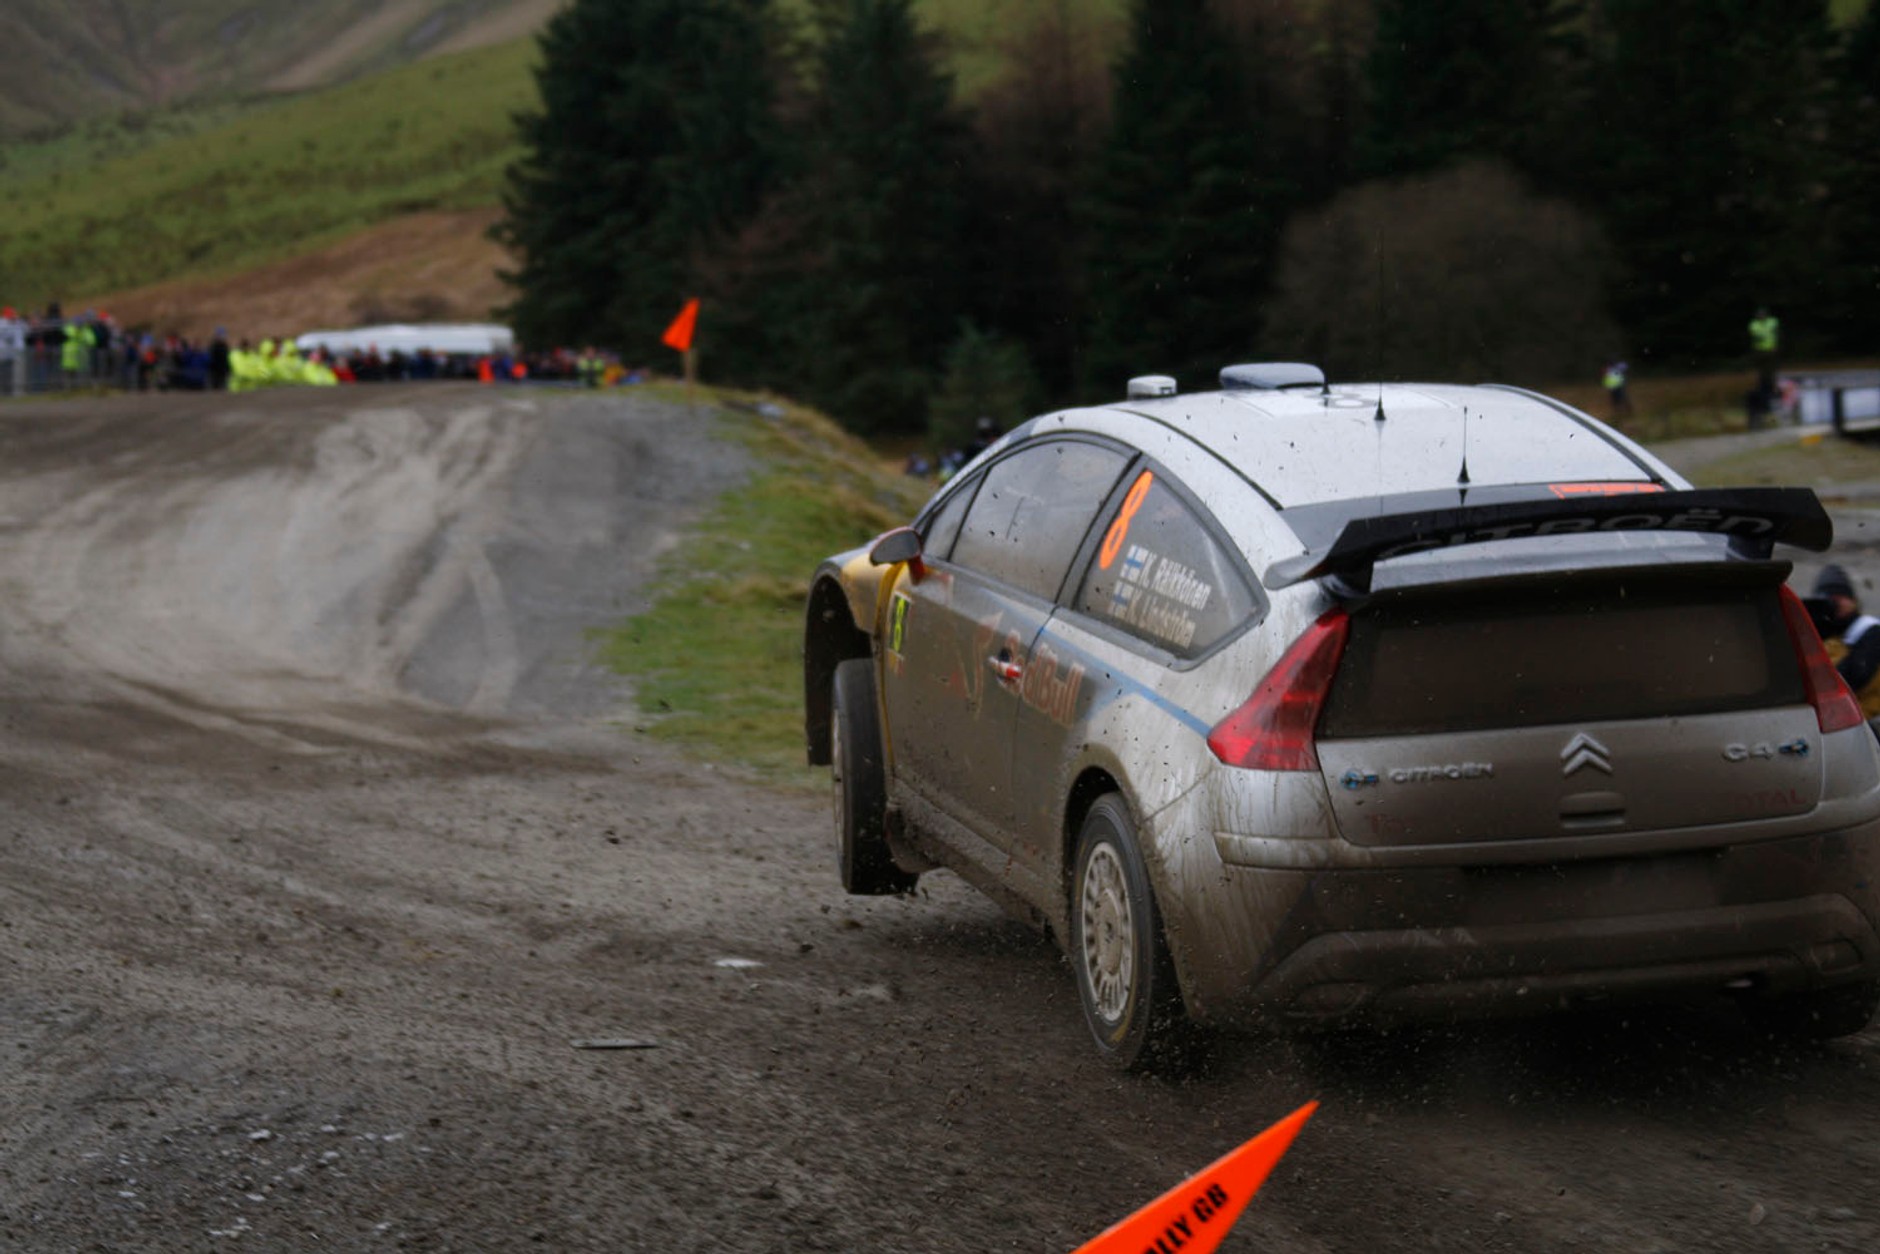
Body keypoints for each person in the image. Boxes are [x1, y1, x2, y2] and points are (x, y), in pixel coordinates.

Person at [1812, 564, 1880, 719]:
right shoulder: (1820, 636)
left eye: (1841, 596)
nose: (1835, 603)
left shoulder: (1870, 630)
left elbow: (1853, 676)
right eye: (1829, 599)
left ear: (1854, 601)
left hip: (1870, 719)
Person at [0, 306, 24, 397]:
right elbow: (7, 336)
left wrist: (17, 322)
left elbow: (24, 331)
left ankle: (11, 391)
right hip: (3, 352)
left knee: (12, 372)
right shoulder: (2, 323)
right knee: (4, 372)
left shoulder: (16, 322)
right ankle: (5, 391)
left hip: (13, 352)